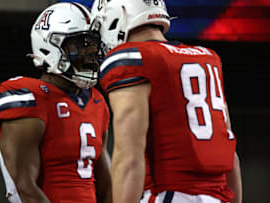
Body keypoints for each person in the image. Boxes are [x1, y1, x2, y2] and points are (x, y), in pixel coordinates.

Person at [91, 0, 242, 202]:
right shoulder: (207, 58)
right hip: (218, 196)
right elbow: (231, 155)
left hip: (167, 194)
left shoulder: (132, 58)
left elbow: (128, 158)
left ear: (118, 15)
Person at [0, 2, 112, 203]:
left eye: (93, 44)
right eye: (81, 44)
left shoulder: (97, 101)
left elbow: (106, 187)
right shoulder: (30, 96)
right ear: (51, 44)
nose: (91, 52)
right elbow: (24, 187)